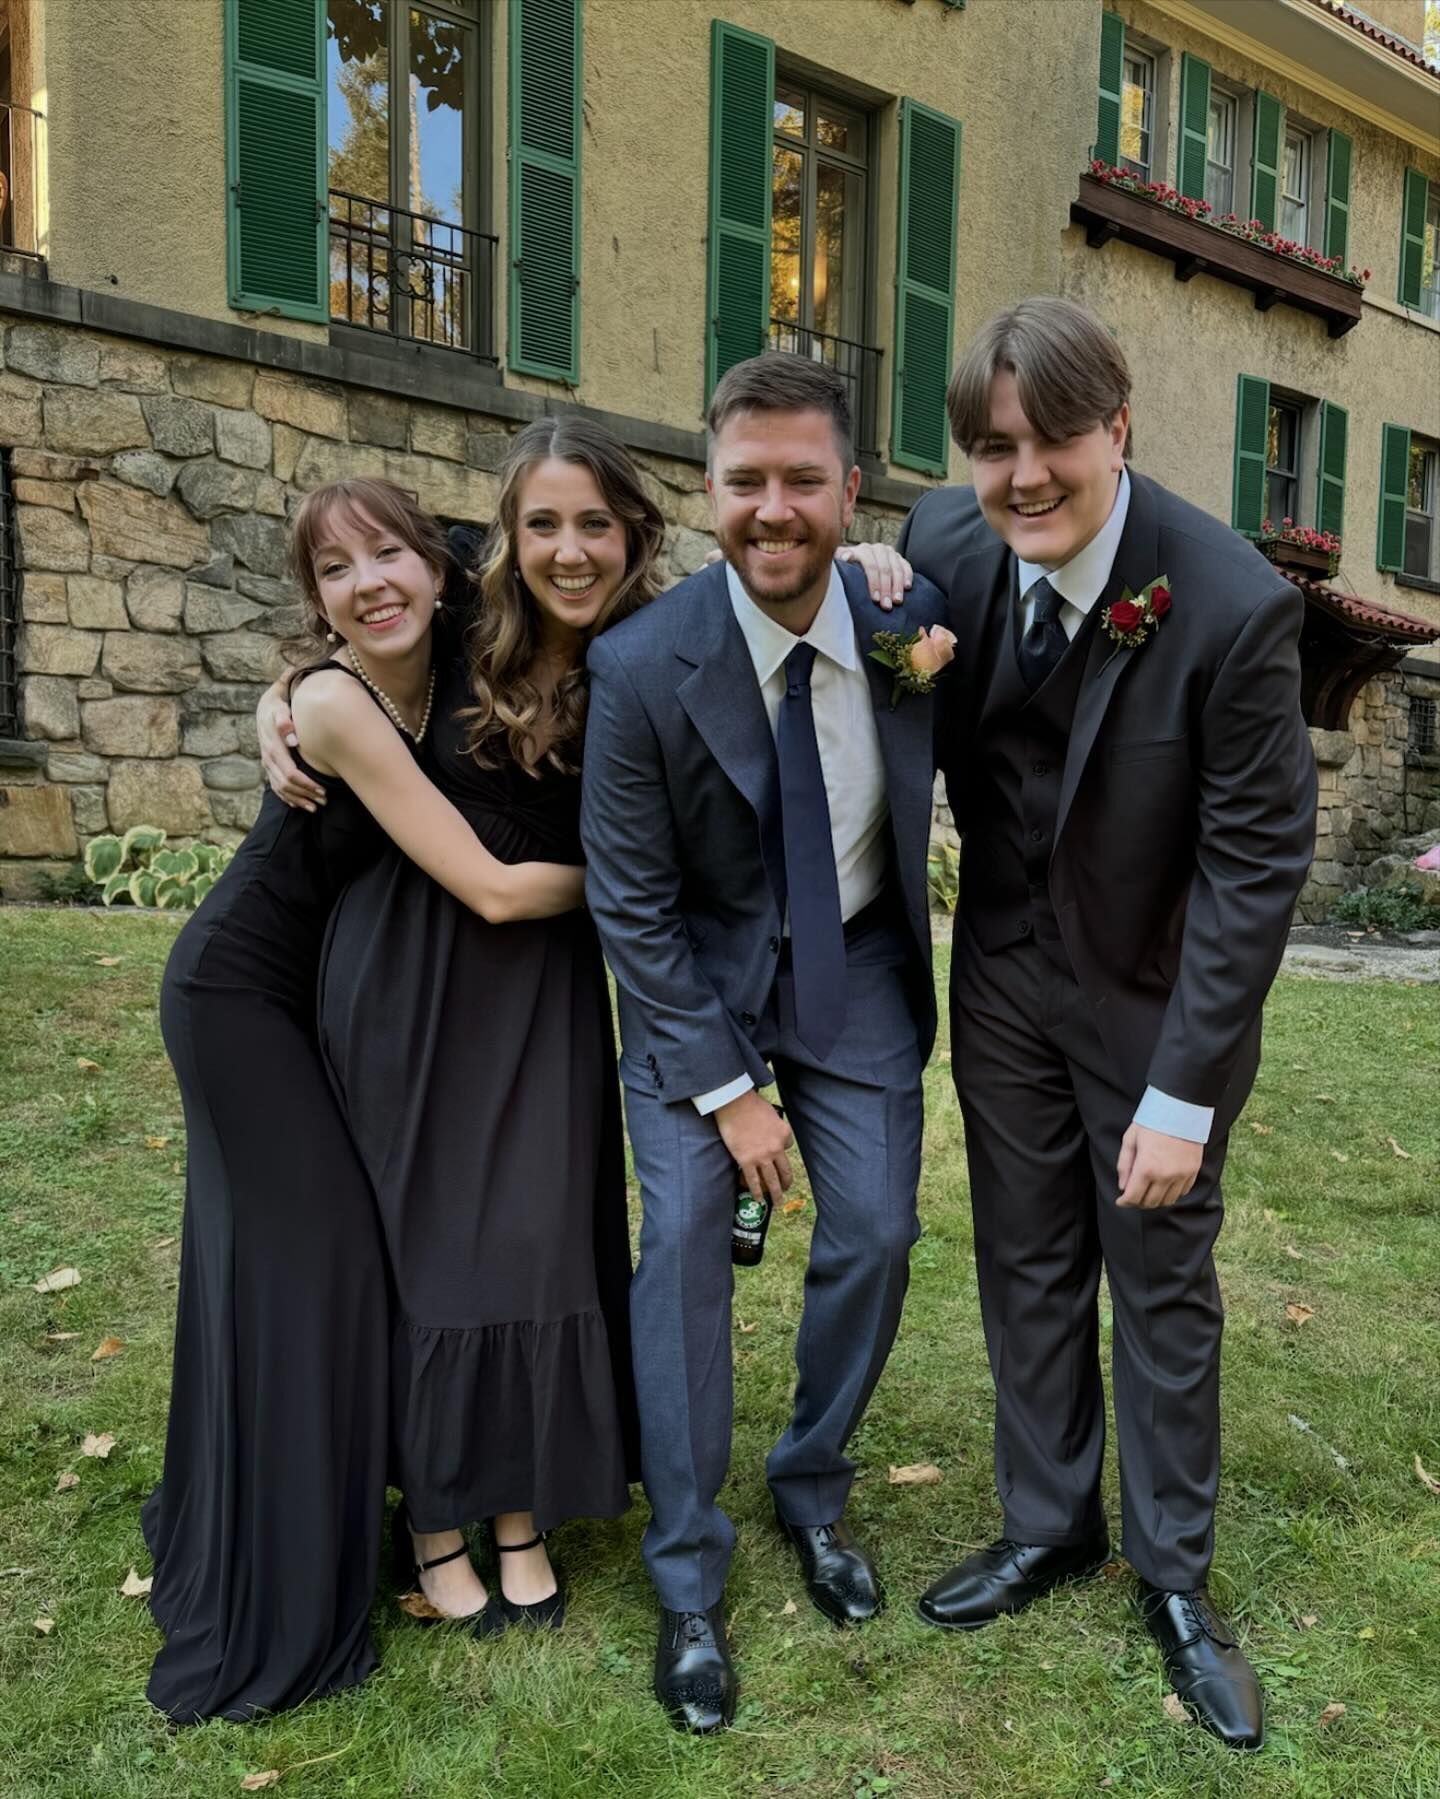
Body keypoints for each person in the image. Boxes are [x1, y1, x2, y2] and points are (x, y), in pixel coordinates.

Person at [861, 297, 1316, 1751]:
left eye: (1056, 437)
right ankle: (1049, 1522)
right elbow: (759, 610)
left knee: (1160, 1280)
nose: (1026, 475)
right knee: (1027, 1256)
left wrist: (1187, 1091)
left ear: (1118, 428)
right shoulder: (941, 544)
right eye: (996, 448)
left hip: (1152, 991)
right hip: (999, 976)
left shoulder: (1235, 604)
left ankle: (1173, 1578)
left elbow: (1255, 865)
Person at [147, 477, 596, 1722]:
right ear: (316, 608)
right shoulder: (338, 701)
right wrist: (635, 881)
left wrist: (265, 693)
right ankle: (368, 1542)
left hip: (323, 1003)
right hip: (242, 999)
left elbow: (517, 553)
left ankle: (396, 1509)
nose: (370, 583)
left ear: (436, 568)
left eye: (388, 554)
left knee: (344, 1266)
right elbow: (496, 890)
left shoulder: (447, 634)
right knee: (332, 1266)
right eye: (336, 573)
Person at [580, 353, 953, 1735]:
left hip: (855, 959)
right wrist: (731, 1092)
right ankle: (688, 1576)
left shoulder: (916, 611)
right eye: (748, 481)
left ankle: (811, 1480)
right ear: (708, 490)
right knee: (682, 1246)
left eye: (806, 480)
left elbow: (1005, 529)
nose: (774, 508)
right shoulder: (640, 663)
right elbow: (627, 902)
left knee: (878, 1230)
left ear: (854, 492)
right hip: (703, 987)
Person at [259, 421, 659, 1632]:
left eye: (593, 524)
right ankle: (436, 1517)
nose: (566, 548)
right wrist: (276, 703)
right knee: (422, 1238)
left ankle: (520, 1509)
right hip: (414, 966)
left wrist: (868, 565)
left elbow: (770, 586)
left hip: (541, 985)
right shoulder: (432, 624)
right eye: (544, 524)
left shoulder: (605, 637)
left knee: (538, 1230)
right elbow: (335, 663)